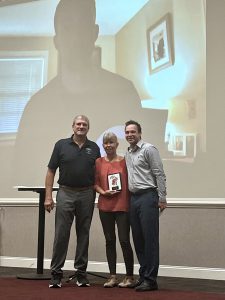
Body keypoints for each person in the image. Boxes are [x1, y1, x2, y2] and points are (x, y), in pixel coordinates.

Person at [13, 0, 168, 187]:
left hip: (115, 199)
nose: (76, 37)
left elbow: (142, 160)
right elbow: (21, 174)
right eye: (68, 28)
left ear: (94, 33)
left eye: (83, 27)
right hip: (64, 198)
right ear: (57, 40)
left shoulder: (124, 92)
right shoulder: (36, 107)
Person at [44, 115, 100, 288]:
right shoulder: (61, 145)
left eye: (84, 124)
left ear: (88, 128)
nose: (81, 126)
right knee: (61, 234)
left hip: (87, 194)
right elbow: (51, 171)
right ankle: (56, 274)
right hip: (65, 193)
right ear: (73, 126)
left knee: (83, 233)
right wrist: (48, 196)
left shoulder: (94, 147)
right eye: (78, 124)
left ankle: (81, 274)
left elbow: (99, 174)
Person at [124, 120, 167, 292]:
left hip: (148, 197)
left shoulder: (149, 149)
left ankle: (151, 279)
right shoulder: (128, 153)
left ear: (140, 133)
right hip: (133, 199)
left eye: (133, 132)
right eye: (127, 132)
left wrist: (162, 198)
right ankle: (143, 277)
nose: (130, 135)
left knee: (150, 239)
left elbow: (159, 174)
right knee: (139, 239)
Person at [94, 132, 135, 288]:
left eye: (111, 142)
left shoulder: (125, 161)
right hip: (105, 206)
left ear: (117, 144)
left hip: (123, 206)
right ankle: (112, 277)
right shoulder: (98, 162)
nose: (108, 145)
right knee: (109, 241)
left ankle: (130, 277)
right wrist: (103, 192)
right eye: (106, 143)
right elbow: (95, 183)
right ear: (103, 145)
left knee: (124, 240)